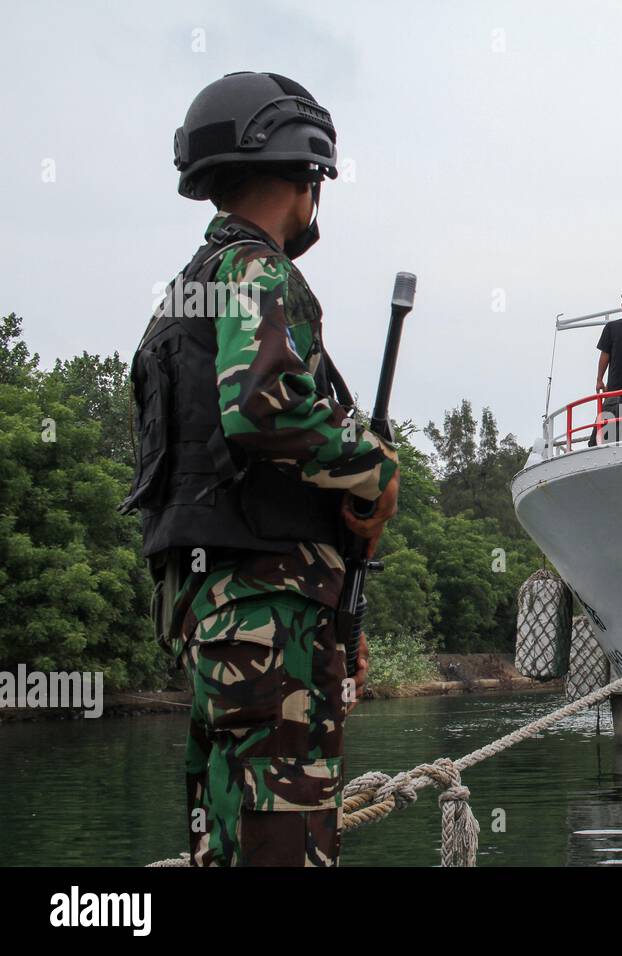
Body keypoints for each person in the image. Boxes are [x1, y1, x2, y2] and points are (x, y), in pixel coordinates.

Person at [120, 72, 400, 866]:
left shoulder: (177, 302)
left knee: (228, 847)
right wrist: (375, 471)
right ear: (305, 176)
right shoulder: (257, 271)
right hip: (270, 609)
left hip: (213, 616)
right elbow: (263, 410)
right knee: (284, 844)